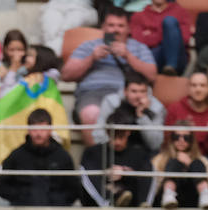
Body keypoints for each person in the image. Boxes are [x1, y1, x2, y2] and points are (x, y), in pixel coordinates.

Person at [61, 8, 157, 141]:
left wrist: (128, 56)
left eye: (120, 26)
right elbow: (66, 75)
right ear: (103, 27)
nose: (115, 30)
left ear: (128, 29)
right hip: (93, 93)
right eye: (111, 25)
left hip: (127, 96)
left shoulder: (139, 48)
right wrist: (91, 58)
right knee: (90, 114)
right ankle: (98, 159)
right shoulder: (89, 46)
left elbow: (152, 76)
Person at [0, 108, 79, 206]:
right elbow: (1, 186)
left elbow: (74, 189)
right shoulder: (16, 156)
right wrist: (22, 197)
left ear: (50, 129)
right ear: (28, 130)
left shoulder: (62, 156)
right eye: (34, 129)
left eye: (42, 129)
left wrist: (57, 201)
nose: (38, 134)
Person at [80, 109, 154, 206]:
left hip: (133, 201)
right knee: (88, 172)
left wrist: (126, 172)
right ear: (107, 132)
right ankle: (109, 201)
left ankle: (143, 204)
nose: (117, 142)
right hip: (103, 203)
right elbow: (87, 178)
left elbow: (147, 178)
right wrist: (106, 174)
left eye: (121, 136)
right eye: (114, 137)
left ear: (128, 132)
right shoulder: (93, 153)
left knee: (147, 169)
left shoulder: (140, 153)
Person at [166, 66, 208, 158]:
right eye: (194, 85)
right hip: (175, 157)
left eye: (202, 85)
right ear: (188, 88)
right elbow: (167, 140)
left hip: (205, 159)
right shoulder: (175, 109)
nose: (198, 90)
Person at [94, 74, 167, 151]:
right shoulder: (112, 102)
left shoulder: (156, 108)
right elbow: (99, 134)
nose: (138, 96)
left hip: (143, 154)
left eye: (142, 91)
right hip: (113, 151)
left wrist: (142, 116)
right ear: (125, 91)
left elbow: (155, 144)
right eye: (134, 91)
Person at [154, 120, 208, 208]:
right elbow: (154, 185)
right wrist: (177, 165)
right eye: (177, 137)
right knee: (174, 162)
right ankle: (169, 194)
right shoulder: (160, 159)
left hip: (192, 196)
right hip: (163, 198)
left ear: (191, 140)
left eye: (186, 137)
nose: (181, 140)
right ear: (172, 138)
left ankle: (205, 197)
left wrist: (190, 164)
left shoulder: (202, 160)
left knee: (197, 163)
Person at [131, 0, 193, 75]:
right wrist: (168, 34)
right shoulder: (139, 16)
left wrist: (151, 34)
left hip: (178, 57)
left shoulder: (180, 12)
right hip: (152, 57)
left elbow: (185, 38)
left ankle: (171, 66)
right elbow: (138, 42)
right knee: (149, 52)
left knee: (169, 21)